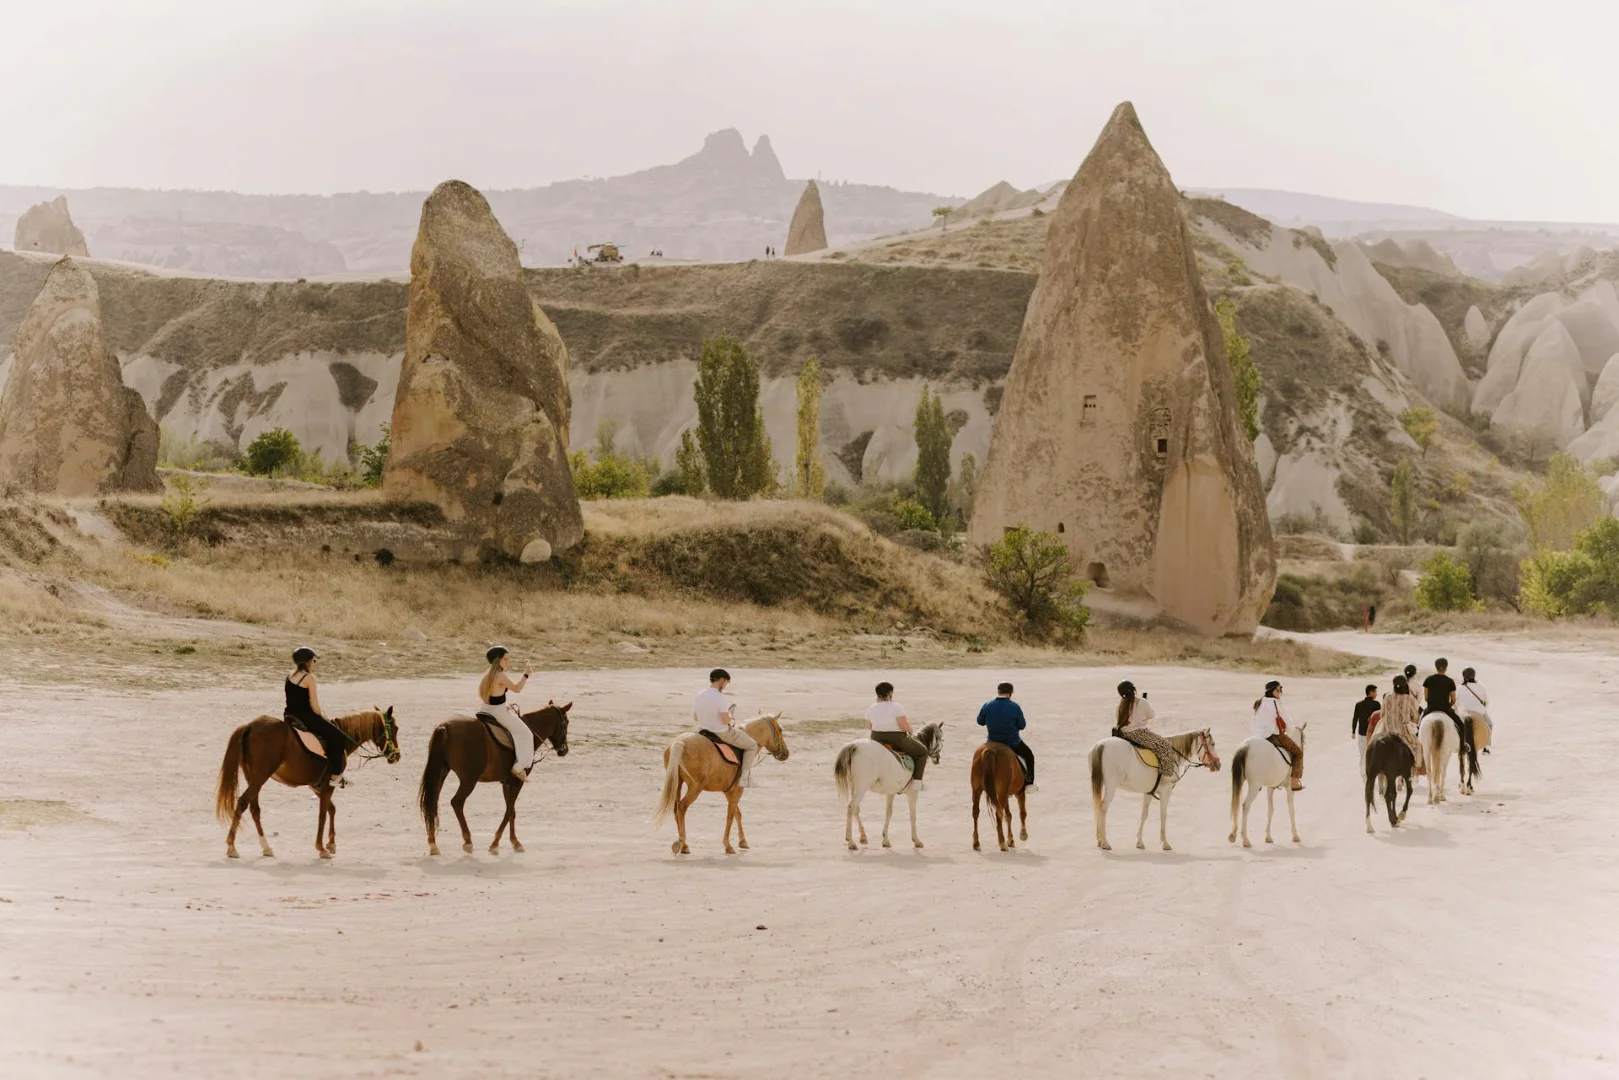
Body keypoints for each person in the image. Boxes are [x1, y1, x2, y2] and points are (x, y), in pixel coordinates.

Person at [284, 646, 348, 784]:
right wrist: (322, 716)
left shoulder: (290, 675)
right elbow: (314, 706)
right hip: (306, 717)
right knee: (339, 737)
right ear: (308, 662)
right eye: (314, 660)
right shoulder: (309, 678)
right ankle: (335, 776)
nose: (314, 663)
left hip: (289, 714)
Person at [477, 646, 535, 780]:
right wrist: (526, 675)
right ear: (498, 660)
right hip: (499, 712)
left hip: (485, 709)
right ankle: (518, 767)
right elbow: (517, 689)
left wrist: (505, 705)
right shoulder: (500, 675)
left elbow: (493, 697)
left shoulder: (487, 675)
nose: (508, 662)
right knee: (526, 734)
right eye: (505, 659)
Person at [695, 669, 758, 788]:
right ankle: (745, 779)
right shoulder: (720, 697)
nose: (724, 686)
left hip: (701, 731)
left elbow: (695, 717)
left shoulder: (699, 695)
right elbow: (725, 721)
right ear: (721, 680)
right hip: (720, 732)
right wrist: (730, 715)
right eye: (726, 683)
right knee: (752, 746)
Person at [1112, 681, 1177, 785]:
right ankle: (1166, 775)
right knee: (1164, 745)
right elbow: (1151, 715)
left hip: (1123, 734)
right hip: (1137, 733)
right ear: (1134, 690)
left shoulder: (1121, 705)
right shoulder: (1141, 702)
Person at [866, 681, 927, 791]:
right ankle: (917, 782)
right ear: (890, 693)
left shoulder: (871, 707)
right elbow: (903, 726)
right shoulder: (896, 707)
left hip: (876, 738)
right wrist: (910, 730)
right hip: (896, 738)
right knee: (922, 752)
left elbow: (869, 726)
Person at [976, 682, 1035, 790]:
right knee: (1029, 756)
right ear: (1010, 693)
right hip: (1012, 742)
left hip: (992, 741)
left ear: (998, 691)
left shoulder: (987, 705)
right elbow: (1022, 725)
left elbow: (980, 721)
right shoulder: (1015, 707)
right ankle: (1029, 783)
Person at [1253, 680, 1304, 791]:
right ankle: (1294, 781)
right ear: (1271, 691)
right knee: (1298, 753)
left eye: (1281, 690)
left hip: (1258, 736)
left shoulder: (1260, 703)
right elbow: (1287, 722)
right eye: (1278, 690)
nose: (1280, 692)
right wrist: (1289, 732)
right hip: (1272, 735)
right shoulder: (1275, 702)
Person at [1380, 674, 1423, 772]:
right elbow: (1415, 716)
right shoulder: (1408, 698)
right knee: (1418, 746)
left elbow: (1382, 714)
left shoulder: (1387, 697)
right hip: (1403, 732)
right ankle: (1415, 769)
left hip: (1388, 732)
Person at [1460, 667, 1493, 751]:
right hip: (1479, 712)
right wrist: (1483, 709)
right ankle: (1486, 747)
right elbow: (1486, 701)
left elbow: (1457, 702)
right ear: (1474, 676)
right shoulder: (1480, 687)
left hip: (1464, 712)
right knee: (1490, 724)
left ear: (1464, 676)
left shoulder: (1460, 688)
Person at [1352, 684, 1380, 775]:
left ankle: (1363, 775)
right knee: (1373, 756)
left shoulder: (1359, 704)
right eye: (1375, 692)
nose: (1376, 694)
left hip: (1362, 734)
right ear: (1371, 692)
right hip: (1373, 734)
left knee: (1362, 755)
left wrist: (1353, 731)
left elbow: (1355, 718)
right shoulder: (1376, 704)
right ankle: (1372, 773)